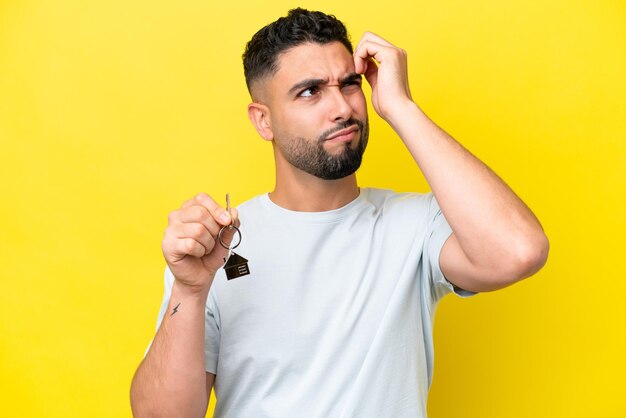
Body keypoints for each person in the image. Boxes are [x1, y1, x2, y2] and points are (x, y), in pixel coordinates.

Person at [130, 8, 549, 418]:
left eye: (350, 85)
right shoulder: (213, 250)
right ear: (263, 121)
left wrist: (401, 107)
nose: (343, 108)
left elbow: (518, 252)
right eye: (310, 91)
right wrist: (188, 291)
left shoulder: (416, 225)